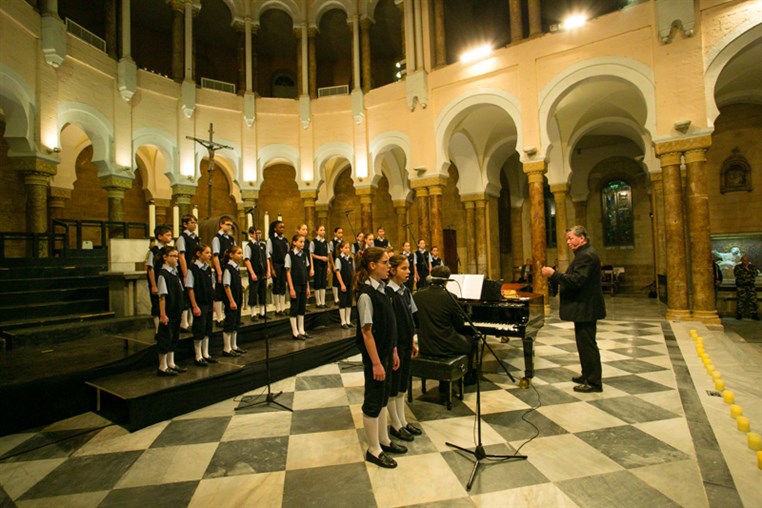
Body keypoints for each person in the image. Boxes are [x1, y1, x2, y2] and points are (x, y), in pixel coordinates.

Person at [355, 247, 405, 469]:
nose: (389, 266)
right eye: (385, 262)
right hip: (375, 357)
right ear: (373, 266)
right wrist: (375, 362)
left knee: (384, 398)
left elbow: (389, 324)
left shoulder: (382, 289)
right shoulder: (366, 294)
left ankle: (384, 440)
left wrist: (393, 350)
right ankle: (373, 449)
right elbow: (367, 332)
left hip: (386, 352)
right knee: (374, 402)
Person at [542, 225, 606, 393]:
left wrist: (553, 274)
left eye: (571, 238)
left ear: (582, 238)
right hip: (583, 307)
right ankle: (586, 374)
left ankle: (594, 382)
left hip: (586, 307)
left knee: (588, 345)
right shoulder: (582, 254)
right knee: (583, 343)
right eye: (567, 239)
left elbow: (577, 280)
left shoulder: (586, 256)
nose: (568, 242)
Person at [413, 265, 478, 392]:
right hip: (445, 345)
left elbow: (416, 322)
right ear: (446, 280)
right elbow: (459, 325)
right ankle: (467, 376)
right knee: (472, 341)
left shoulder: (417, 295)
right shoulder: (450, 297)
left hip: (425, 344)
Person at [385, 254, 422, 442]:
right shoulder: (388, 293)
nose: (409, 272)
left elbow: (411, 316)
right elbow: (390, 324)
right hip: (396, 346)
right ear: (392, 271)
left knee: (402, 385)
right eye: (404, 268)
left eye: (409, 268)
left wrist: (414, 340)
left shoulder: (405, 291)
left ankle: (402, 420)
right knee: (393, 386)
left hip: (407, 343)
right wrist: (393, 349)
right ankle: (395, 425)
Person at [155, 246, 186, 376]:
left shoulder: (174, 272)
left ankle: (171, 363)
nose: (176, 258)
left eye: (177, 256)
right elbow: (162, 296)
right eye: (173, 256)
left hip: (176, 311)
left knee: (174, 338)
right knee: (165, 339)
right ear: (165, 257)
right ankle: (162, 366)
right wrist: (162, 314)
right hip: (167, 311)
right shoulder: (163, 274)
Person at [186, 244, 217, 366]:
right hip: (199, 303)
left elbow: (211, 285)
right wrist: (194, 305)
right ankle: (198, 355)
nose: (209, 255)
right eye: (207, 253)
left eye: (210, 253)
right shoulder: (193, 269)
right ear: (199, 254)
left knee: (207, 329)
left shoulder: (208, 269)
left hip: (208, 302)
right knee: (199, 330)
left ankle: (206, 353)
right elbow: (190, 288)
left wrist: (213, 303)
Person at [146, 225, 173, 335]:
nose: (170, 237)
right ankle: (158, 329)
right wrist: (153, 285)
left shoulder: (169, 250)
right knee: (157, 305)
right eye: (168, 235)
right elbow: (150, 268)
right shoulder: (154, 250)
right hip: (157, 280)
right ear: (160, 236)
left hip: (167, 279)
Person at [222, 245, 247, 356]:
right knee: (230, 323)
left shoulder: (236, 268)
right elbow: (227, 285)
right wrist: (231, 300)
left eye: (241, 253)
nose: (241, 255)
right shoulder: (228, 268)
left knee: (236, 323)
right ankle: (227, 348)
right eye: (238, 253)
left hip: (237, 298)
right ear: (231, 255)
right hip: (231, 300)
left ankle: (234, 345)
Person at [176, 214, 199, 331]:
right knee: (185, 296)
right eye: (192, 223)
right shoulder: (182, 238)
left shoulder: (195, 238)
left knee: (193, 295)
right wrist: (185, 274)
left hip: (194, 269)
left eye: (195, 223)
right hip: (185, 270)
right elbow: (181, 256)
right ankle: (183, 323)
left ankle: (191, 321)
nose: (194, 225)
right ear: (185, 224)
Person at [286, 234, 311, 340]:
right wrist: (291, 288)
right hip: (295, 284)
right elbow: (288, 272)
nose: (302, 244)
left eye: (303, 242)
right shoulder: (290, 255)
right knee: (294, 307)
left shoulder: (304, 255)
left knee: (301, 307)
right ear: (294, 242)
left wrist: (307, 287)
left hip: (303, 284)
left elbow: (306, 271)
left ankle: (301, 329)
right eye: (300, 241)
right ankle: (295, 331)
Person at [212, 216, 236, 326]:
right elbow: (216, 256)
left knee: (231, 291)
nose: (229, 226)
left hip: (231, 268)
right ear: (221, 224)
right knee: (219, 292)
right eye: (227, 224)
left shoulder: (231, 239)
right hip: (222, 268)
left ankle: (229, 316)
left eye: (230, 225)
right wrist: (219, 272)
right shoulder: (217, 238)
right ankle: (219, 317)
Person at [244, 227, 269, 321]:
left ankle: (262, 312)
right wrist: (252, 273)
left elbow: (267, 258)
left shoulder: (263, 245)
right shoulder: (249, 246)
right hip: (255, 272)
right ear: (251, 234)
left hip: (263, 273)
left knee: (263, 292)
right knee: (253, 292)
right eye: (256, 233)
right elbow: (247, 260)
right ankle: (253, 313)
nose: (259, 235)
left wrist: (268, 271)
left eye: (260, 233)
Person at [267, 220, 289, 315]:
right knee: (277, 285)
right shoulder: (271, 239)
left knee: (283, 286)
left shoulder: (285, 240)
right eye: (280, 227)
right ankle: (277, 308)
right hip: (276, 264)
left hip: (284, 265)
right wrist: (271, 268)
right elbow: (269, 254)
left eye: (283, 227)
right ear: (275, 229)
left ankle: (283, 307)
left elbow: (288, 252)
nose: (282, 229)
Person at [334, 241, 355, 329]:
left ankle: (348, 320)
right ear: (341, 249)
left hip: (350, 283)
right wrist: (342, 284)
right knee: (342, 302)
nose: (348, 249)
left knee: (349, 302)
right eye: (345, 248)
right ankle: (343, 321)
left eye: (348, 248)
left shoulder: (350, 259)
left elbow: (353, 271)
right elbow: (338, 272)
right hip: (343, 284)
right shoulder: (339, 259)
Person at [734, 255, 760, 320]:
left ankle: (754, 314)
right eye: (744, 260)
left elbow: (755, 274)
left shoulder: (752, 267)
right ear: (741, 260)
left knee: (753, 300)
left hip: (750, 286)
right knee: (740, 300)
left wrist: (748, 270)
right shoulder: (738, 267)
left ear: (748, 261)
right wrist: (746, 276)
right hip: (741, 286)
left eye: (746, 260)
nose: (745, 262)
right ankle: (739, 314)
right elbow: (737, 274)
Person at [310, 225, 330, 308]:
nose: (323, 231)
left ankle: (323, 301)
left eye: (324, 230)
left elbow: (327, 255)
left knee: (323, 283)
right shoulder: (313, 242)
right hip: (317, 264)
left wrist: (328, 266)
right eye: (321, 230)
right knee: (317, 283)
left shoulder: (326, 242)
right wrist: (321, 258)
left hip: (324, 265)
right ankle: (318, 302)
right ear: (317, 232)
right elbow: (311, 254)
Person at [329, 227, 344, 305]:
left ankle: (340, 295)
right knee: (335, 280)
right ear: (335, 233)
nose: (340, 234)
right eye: (339, 232)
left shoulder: (342, 242)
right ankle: (335, 297)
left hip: (342, 262)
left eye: (341, 233)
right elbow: (330, 254)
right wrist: (333, 264)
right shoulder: (332, 242)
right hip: (335, 263)